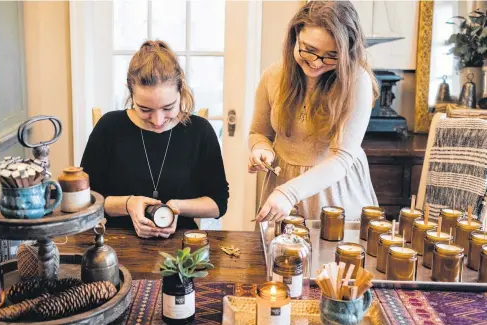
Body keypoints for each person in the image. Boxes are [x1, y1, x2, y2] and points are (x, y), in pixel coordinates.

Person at [81, 40, 229, 238]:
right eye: (145, 109)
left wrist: (176, 207)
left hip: (183, 247)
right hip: (118, 245)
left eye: (168, 108)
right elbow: (86, 199)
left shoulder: (200, 131)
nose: (158, 121)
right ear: (130, 92)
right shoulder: (109, 128)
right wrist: (128, 204)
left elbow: (218, 204)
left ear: (181, 88)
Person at [249, 1, 379, 223]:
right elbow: (258, 132)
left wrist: (289, 192)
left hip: (335, 192)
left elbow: (341, 158)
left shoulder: (357, 81)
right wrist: (261, 149)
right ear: (295, 36)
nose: (316, 63)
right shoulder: (272, 76)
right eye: (308, 50)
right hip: (283, 187)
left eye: (332, 55)